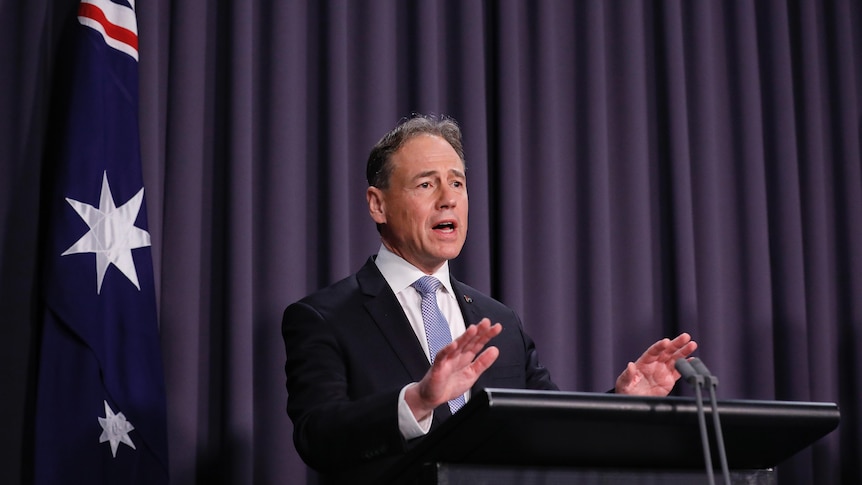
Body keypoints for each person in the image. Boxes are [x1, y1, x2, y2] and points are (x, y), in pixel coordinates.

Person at [282, 113, 697, 484]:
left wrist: (622, 403)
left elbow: (551, 426)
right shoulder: (325, 317)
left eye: (457, 183)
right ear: (378, 205)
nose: (448, 198)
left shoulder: (499, 321)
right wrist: (419, 400)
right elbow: (317, 436)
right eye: (426, 184)